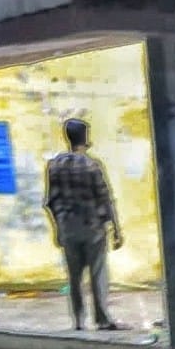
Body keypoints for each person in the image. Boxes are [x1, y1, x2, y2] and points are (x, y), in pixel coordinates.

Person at [43, 118, 125, 331]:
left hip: (68, 227)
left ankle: (78, 321)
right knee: (98, 275)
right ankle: (102, 319)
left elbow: (51, 201)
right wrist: (116, 229)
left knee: (74, 277)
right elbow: (105, 199)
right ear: (85, 137)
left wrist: (58, 229)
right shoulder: (92, 165)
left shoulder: (54, 166)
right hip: (92, 227)